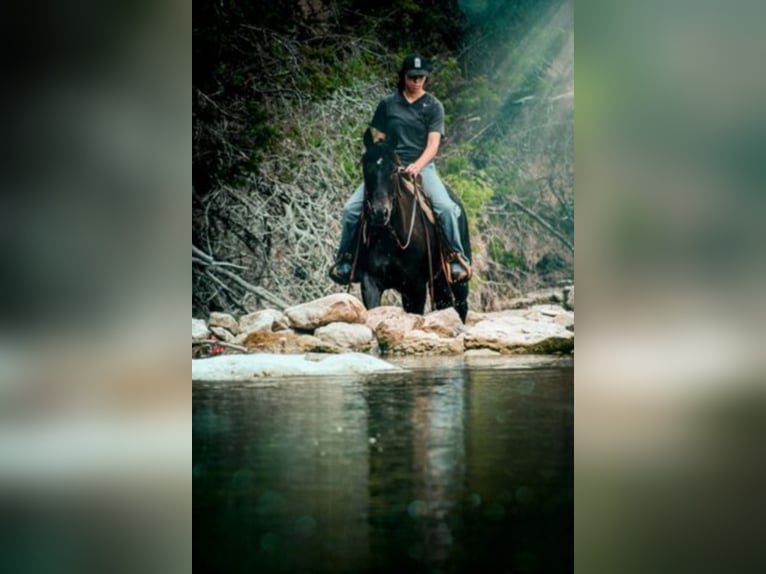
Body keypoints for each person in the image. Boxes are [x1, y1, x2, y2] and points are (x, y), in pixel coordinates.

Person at [328, 52, 471, 285]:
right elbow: (381, 138)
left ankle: (456, 258)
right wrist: (382, 159)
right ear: (404, 76)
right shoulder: (388, 104)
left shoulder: (433, 106)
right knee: (350, 210)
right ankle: (345, 260)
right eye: (412, 77)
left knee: (446, 208)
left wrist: (417, 165)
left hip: (422, 167)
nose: (417, 82)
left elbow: (433, 144)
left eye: (421, 77)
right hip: (389, 168)